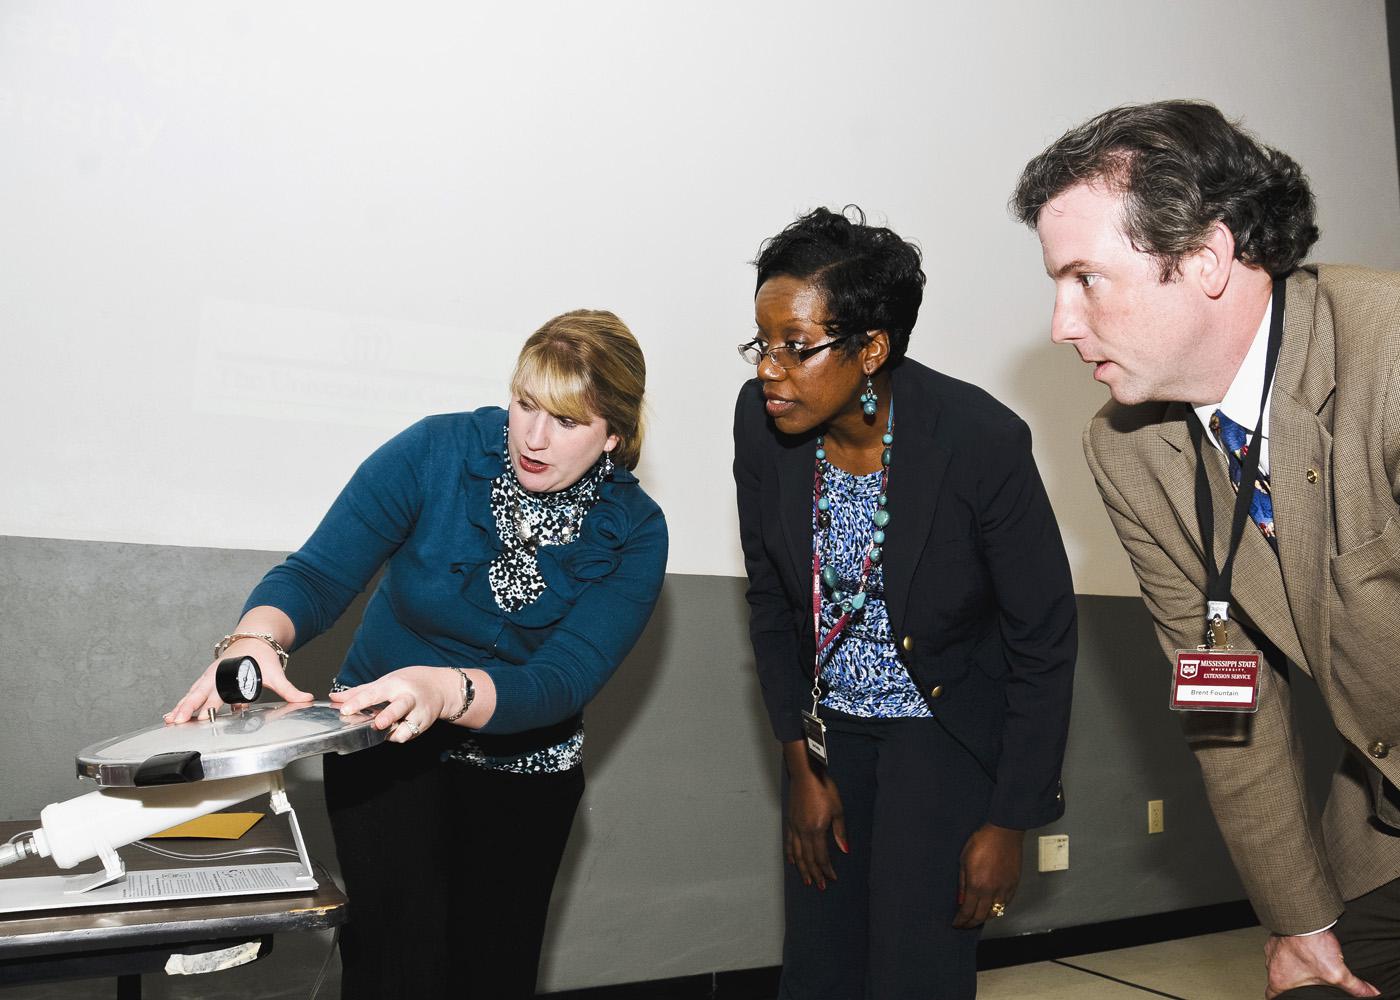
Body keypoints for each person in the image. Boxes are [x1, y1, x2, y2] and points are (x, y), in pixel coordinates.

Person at [1012, 100, 1400, 999]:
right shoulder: (1128, 450)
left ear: (1208, 258)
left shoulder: (1388, 355)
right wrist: (1299, 922)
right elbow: (1225, 704)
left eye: (1085, 279)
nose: (1063, 323)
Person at [166, 309, 668, 999]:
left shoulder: (635, 532)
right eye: (525, 404)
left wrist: (444, 690)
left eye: (566, 419)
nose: (533, 435)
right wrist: (254, 640)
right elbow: (316, 575)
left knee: (490, 972)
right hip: (384, 755)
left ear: (613, 433)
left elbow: (563, 679)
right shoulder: (436, 451)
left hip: (524, 774)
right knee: (393, 968)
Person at [733, 206, 1077, 999]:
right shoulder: (762, 428)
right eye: (762, 345)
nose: (769, 371)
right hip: (829, 739)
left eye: (797, 347)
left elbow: (1044, 637)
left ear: (870, 349)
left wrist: (1008, 821)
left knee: (913, 971)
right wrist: (802, 770)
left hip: (941, 738)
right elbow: (770, 606)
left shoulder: (979, 441)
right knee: (818, 967)